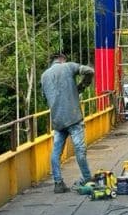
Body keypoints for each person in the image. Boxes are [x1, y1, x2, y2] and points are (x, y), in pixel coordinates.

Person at [40, 52, 94, 193]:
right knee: (79, 149)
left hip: (57, 120)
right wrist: (81, 86)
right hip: (73, 118)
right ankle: (87, 178)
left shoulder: (44, 76)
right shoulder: (68, 67)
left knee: (56, 152)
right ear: (62, 59)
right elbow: (89, 71)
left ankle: (58, 183)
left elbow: (44, 97)